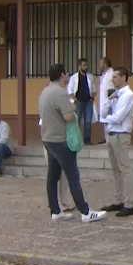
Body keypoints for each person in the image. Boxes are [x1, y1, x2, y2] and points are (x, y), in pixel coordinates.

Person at [39, 63, 106, 223]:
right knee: (73, 175)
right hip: (61, 140)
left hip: (48, 138)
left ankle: (55, 210)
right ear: (62, 75)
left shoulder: (45, 91)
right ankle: (85, 211)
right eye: (67, 73)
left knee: (53, 176)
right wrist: (72, 107)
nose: (68, 76)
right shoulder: (60, 93)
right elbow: (68, 117)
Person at [99, 67, 133, 217]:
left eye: (115, 77)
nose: (112, 80)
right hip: (111, 133)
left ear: (123, 77)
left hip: (121, 135)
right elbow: (104, 112)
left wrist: (104, 120)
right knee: (115, 169)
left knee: (125, 169)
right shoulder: (115, 95)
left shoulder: (128, 95)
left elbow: (118, 117)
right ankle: (118, 199)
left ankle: (129, 203)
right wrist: (108, 100)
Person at [67, 58, 98, 145]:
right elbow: (70, 90)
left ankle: (87, 140)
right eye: (84, 65)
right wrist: (74, 99)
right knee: (77, 121)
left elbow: (94, 90)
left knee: (88, 121)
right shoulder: (74, 77)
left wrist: (92, 97)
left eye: (86, 65)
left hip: (88, 102)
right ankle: (76, 140)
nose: (86, 67)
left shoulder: (90, 77)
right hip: (78, 102)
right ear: (79, 66)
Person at [97, 57, 115, 145]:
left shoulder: (111, 74)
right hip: (103, 100)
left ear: (105, 64)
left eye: (101, 63)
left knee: (109, 119)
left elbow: (113, 88)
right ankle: (106, 137)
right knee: (105, 120)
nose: (99, 65)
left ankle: (109, 138)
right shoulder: (104, 75)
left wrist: (110, 100)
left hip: (109, 101)